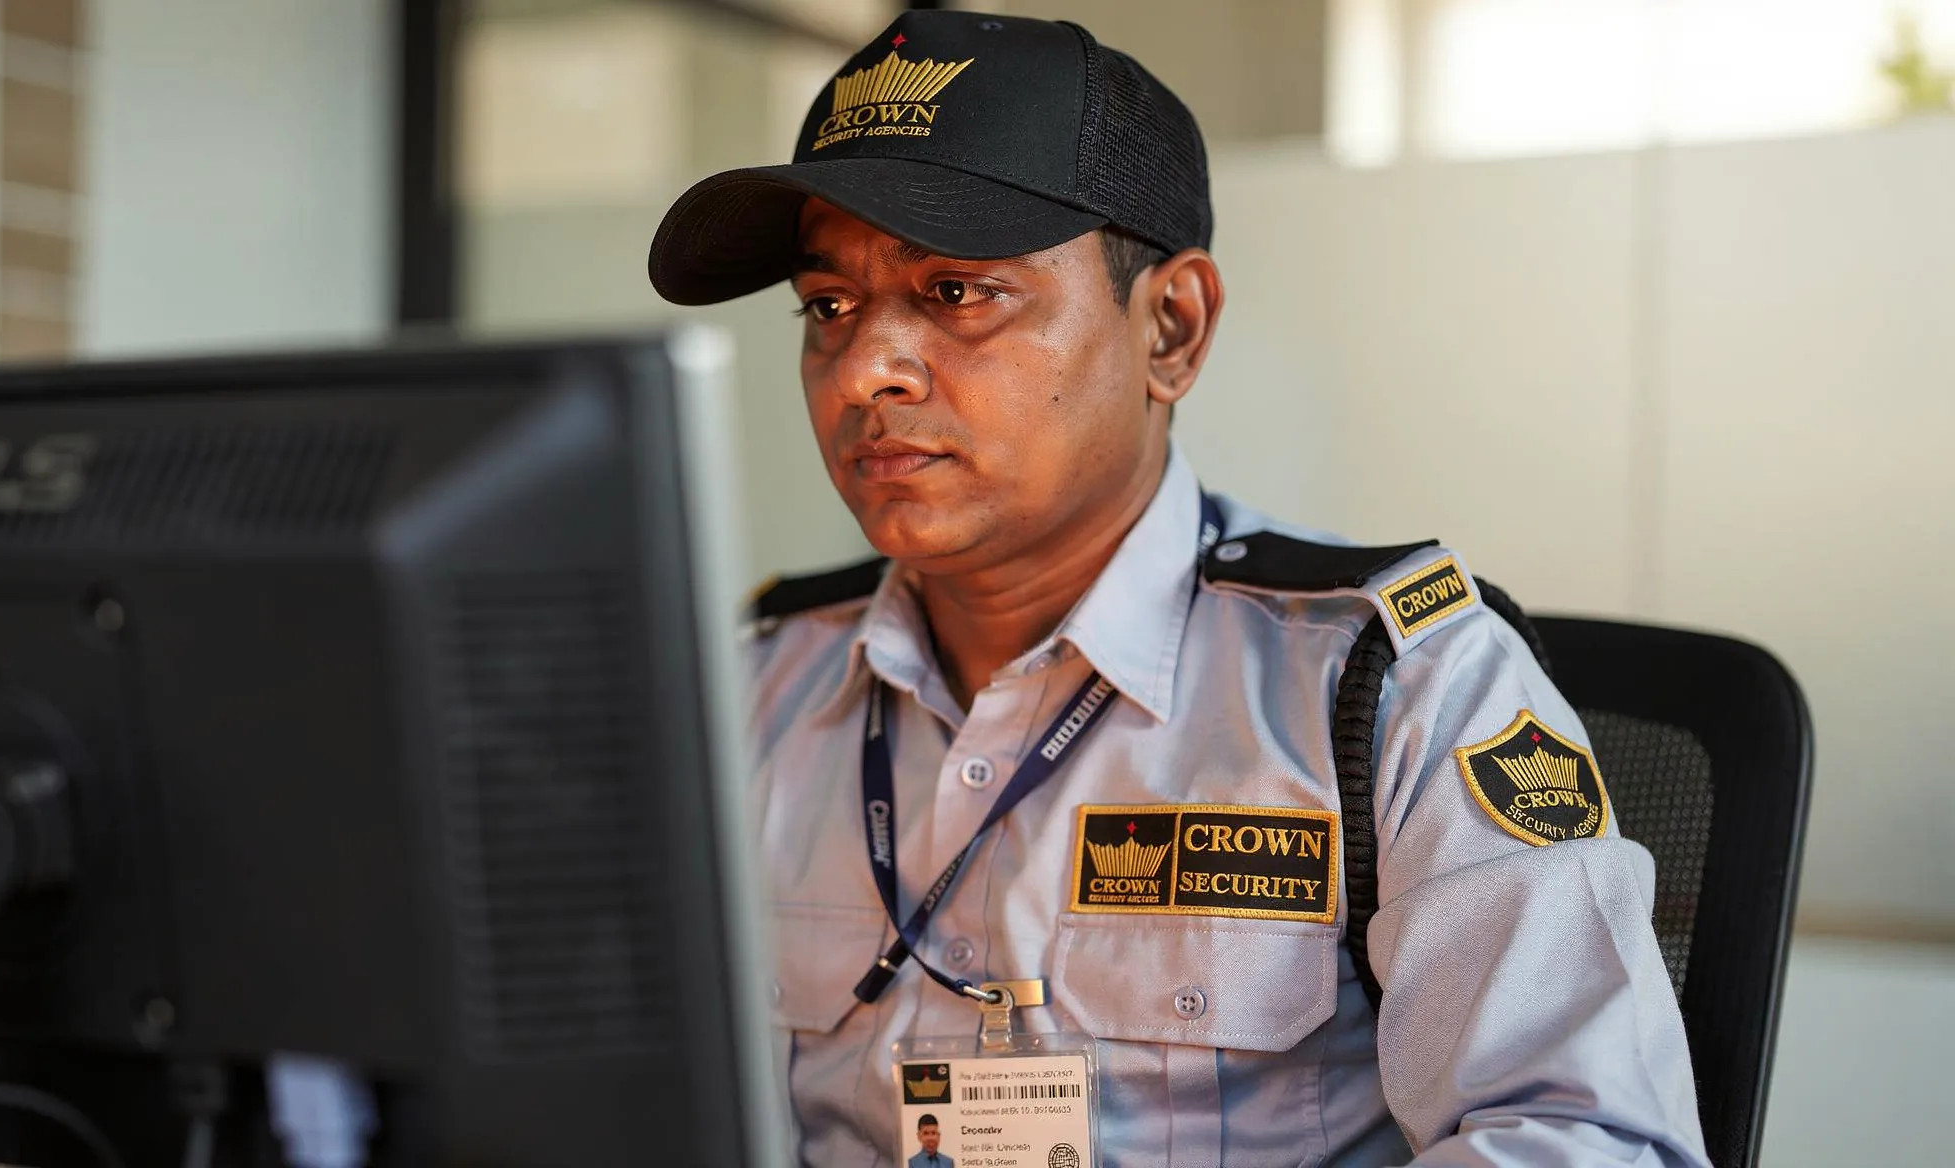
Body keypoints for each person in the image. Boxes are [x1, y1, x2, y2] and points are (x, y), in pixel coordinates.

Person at [649, 9, 1709, 1166]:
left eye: (956, 294)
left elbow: (1591, 1140)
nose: (863, 370)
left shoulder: (1389, 685)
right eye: (828, 307)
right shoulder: (747, 686)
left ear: (1171, 327)